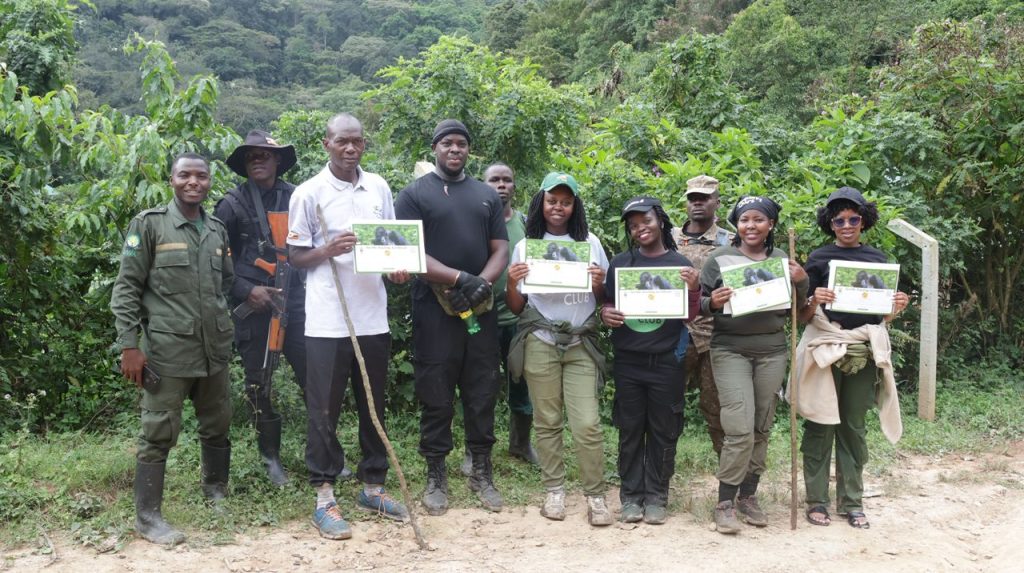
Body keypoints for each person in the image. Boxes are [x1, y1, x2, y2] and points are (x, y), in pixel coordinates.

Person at [287, 113, 410, 540]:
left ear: (364, 144)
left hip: (372, 317)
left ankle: (372, 487)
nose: (350, 148)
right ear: (326, 143)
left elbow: (390, 244)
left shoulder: (378, 187)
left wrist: (397, 269)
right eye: (342, 141)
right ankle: (324, 496)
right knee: (324, 410)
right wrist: (328, 249)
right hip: (326, 322)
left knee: (373, 405)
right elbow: (295, 256)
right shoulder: (308, 193)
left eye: (357, 141)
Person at [111, 153, 234, 546]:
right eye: (185, 175)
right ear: (172, 180)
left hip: (213, 349)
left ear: (209, 181)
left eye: (201, 175)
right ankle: (147, 517)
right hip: (167, 351)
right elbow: (126, 288)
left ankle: (215, 491)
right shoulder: (149, 225)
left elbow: (224, 286)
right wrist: (130, 346)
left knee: (217, 421)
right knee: (158, 431)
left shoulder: (216, 229)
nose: (193, 182)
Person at [394, 119, 509, 515]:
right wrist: (459, 277)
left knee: (481, 391)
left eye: (461, 144)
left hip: (479, 309)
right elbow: (409, 253)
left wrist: (483, 283)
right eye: (447, 143)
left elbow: (500, 249)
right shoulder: (413, 195)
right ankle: (436, 475)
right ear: (435, 148)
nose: (455, 149)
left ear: (469, 151)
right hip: (434, 310)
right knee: (436, 394)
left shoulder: (485, 195)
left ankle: (481, 472)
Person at [795, 186, 909, 530]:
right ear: (830, 223)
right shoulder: (817, 258)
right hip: (824, 348)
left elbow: (879, 316)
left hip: (863, 349)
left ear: (864, 221)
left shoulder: (879, 261)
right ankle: (816, 501)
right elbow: (802, 315)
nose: (846, 224)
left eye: (853, 218)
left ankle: (852, 502)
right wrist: (815, 297)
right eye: (839, 219)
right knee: (819, 422)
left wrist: (895, 308)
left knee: (853, 426)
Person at [505, 172, 612, 525]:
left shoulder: (590, 242)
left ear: (574, 206)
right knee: (547, 421)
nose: (558, 207)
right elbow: (518, 306)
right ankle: (554, 490)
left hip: (581, 341)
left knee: (587, 424)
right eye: (553, 200)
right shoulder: (526, 245)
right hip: (540, 340)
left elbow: (602, 301)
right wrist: (511, 280)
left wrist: (599, 285)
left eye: (566, 201)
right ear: (542, 202)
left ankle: (595, 495)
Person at [700, 195, 809, 534]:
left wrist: (802, 279)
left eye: (758, 219)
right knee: (738, 426)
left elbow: (800, 308)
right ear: (737, 224)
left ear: (770, 225)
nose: (751, 225)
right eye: (745, 219)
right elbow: (697, 304)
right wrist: (713, 302)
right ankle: (725, 502)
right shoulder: (719, 260)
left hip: (772, 350)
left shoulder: (781, 259)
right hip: (730, 349)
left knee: (762, 424)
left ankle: (749, 495)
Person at [601, 197, 701, 525]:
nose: (639, 228)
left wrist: (695, 288)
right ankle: (631, 497)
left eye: (645, 221)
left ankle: (657, 495)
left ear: (660, 220)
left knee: (663, 429)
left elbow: (690, 314)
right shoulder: (620, 264)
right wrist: (606, 314)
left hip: (667, 360)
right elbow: (608, 306)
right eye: (632, 225)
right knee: (630, 430)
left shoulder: (679, 264)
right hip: (629, 361)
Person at [215, 130, 307, 486]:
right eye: (251, 155)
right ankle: (270, 458)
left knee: (315, 378)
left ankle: (325, 453)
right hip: (253, 308)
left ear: (278, 160)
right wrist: (246, 289)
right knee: (259, 383)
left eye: (264, 155)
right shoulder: (231, 204)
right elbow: (216, 260)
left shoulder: (299, 197)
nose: (258, 159)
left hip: (297, 305)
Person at [470, 161, 539, 471]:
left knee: (523, 382)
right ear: (482, 185)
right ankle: (474, 450)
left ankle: (521, 443)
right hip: (480, 317)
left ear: (514, 186)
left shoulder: (527, 223)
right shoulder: (472, 221)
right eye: (494, 180)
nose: (501, 185)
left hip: (518, 319)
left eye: (507, 180)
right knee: (479, 385)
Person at [670, 174, 733, 456]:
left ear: (717, 202)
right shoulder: (668, 237)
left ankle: (731, 480)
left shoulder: (731, 241)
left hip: (715, 334)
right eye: (692, 198)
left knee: (717, 406)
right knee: (667, 404)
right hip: (674, 333)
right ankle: (660, 472)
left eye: (704, 198)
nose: (697, 203)